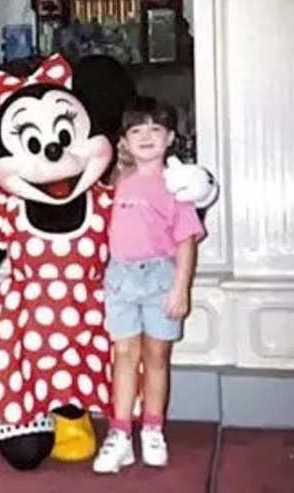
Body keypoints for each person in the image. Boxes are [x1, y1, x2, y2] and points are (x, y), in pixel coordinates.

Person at [92, 96, 206, 473]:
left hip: (160, 278)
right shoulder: (114, 183)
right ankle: (121, 433)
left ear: (170, 137)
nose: (146, 136)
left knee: (156, 358)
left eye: (155, 129)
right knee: (123, 356)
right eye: (137, 130)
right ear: (124, 140)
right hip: (120, 279)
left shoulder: (178, 186)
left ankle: (152, 429)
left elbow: (185, 240)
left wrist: (180, 287)